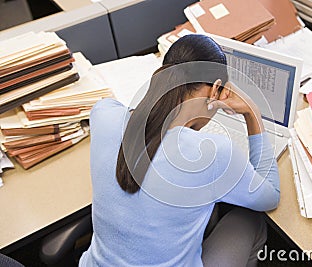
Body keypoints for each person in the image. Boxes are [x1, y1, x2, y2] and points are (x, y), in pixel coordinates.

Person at [79, 34, 280, 267]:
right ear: (215, 90)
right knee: (250, 218)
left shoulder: (103, 114)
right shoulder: (214, 154)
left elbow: (134, 115)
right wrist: (251, 112)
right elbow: (270, 196)